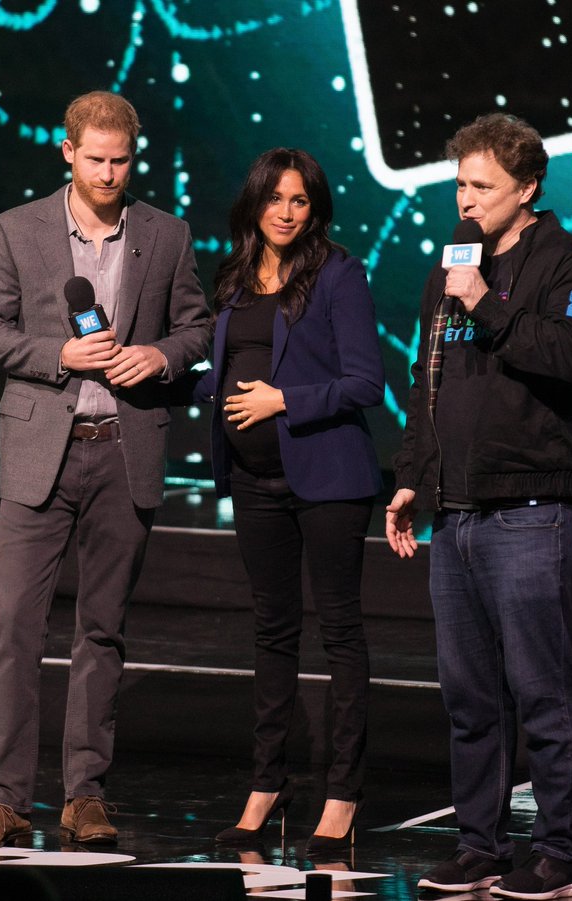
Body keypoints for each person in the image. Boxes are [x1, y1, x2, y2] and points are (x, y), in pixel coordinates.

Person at [0, 91, 210, 849]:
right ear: (65, 151)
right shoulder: (16, 228)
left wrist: (160, 355)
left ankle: (84, 794)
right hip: (43, 451)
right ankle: (4, 798)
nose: (109, 172)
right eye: (95, 158)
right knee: (16, 627)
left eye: (121, 160)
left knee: (102, 629)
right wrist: (58, 355)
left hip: (123, 447)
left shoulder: (166, 235)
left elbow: (197, 327)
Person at [385, 113, 572, 899]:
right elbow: (429, 378)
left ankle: (560, 858)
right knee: (470, 696)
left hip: (535, 511)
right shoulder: (451, 263)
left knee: (543, 692)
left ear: (528, 188)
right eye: (460, 184)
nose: (466, 199)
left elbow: (571, 360)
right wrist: (415, 471)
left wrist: (485, 301)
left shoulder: (570, 266)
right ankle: (481, 845)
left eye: (482, 186)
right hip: (458, 514)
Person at [195, 148, 384, 850]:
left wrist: (286, 399)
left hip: (330, 479)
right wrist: (148, 369)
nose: (285, 211)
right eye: (274, 198)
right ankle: (267, 781)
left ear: (315, 208)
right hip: (254, 483)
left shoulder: (338, 274)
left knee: (339, 634)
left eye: (299, 200)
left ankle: (342, 794)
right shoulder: (237, 277)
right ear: (254, 204)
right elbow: (220, 374)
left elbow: (367, 382)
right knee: (271, 633)